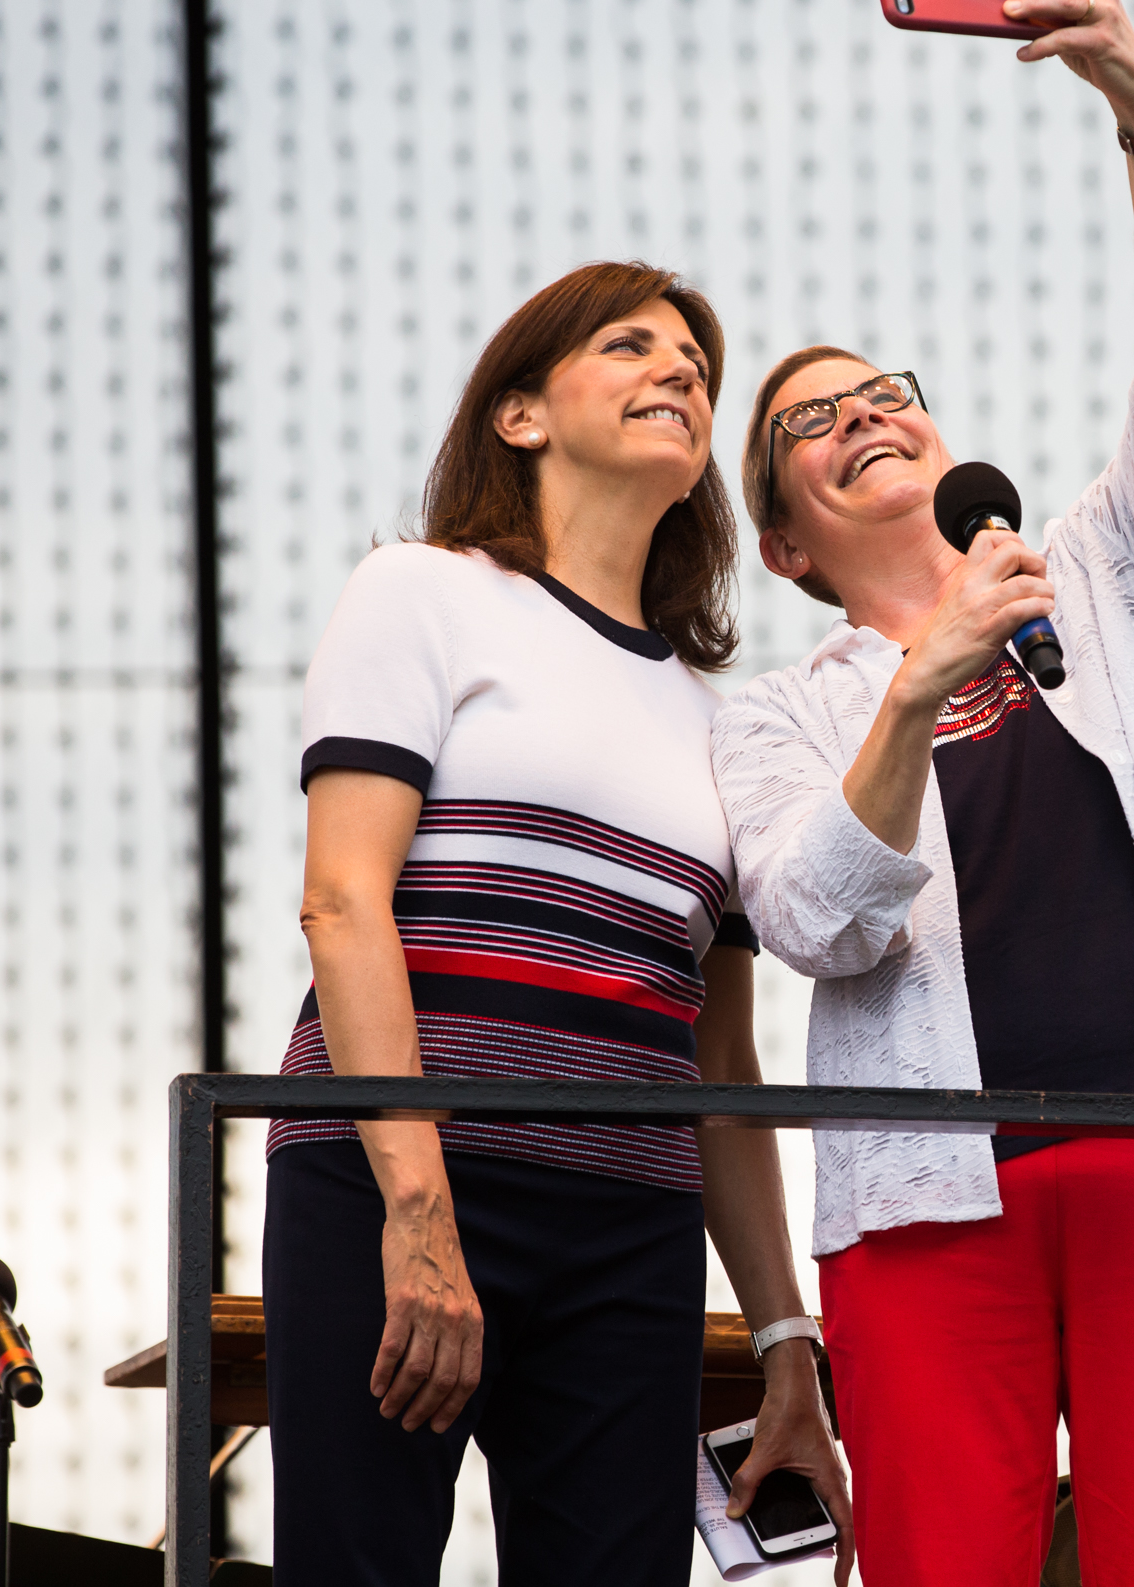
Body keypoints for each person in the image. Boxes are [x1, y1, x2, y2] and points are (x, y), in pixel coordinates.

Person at [710, 0, 1134, 1584]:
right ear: (786, 545)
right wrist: (921, 687)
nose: (866, 413)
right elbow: (823, 925)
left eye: (885, 389)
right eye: (815, 423)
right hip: (923, 1205)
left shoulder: (1112, 570)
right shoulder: (775, 717)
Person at [262, 261, 850, 1585]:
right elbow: (341, 900)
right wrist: (418, 1214)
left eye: (696, 361)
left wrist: (782, 1342)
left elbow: (724, 1065)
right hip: (394, 1182)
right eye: (631, 346)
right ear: (520, 413)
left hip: (630, 1233)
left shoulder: (724, 719)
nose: (681, 371)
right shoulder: (421, 594)